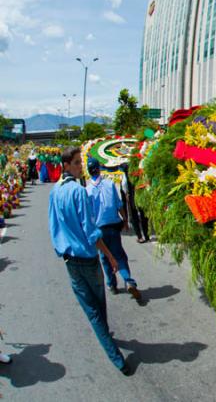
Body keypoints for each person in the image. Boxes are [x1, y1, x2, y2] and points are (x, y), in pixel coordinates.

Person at [48, 147, 132, 375]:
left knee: (93, 308)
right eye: (76, 163)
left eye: (80, 163)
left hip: (70, 261)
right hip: (87, 258)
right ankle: (116, 356)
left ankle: (106, 337)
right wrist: (111, 255)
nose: (79, 167)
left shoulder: (55, 192)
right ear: (66, 165)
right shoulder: (79, 191)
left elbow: (54, 227)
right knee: (97, 309)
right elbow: (91, 231)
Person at [85, 158, 141, 300]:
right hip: (113, 226)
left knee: (105, 257)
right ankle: (128, 280)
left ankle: (112, 284)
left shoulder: (87, 190)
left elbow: (89, 213)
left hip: (99, 228)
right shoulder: (109, 184)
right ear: (99, 169)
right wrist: (125, 220)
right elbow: (119, 205)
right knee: (119, 254)